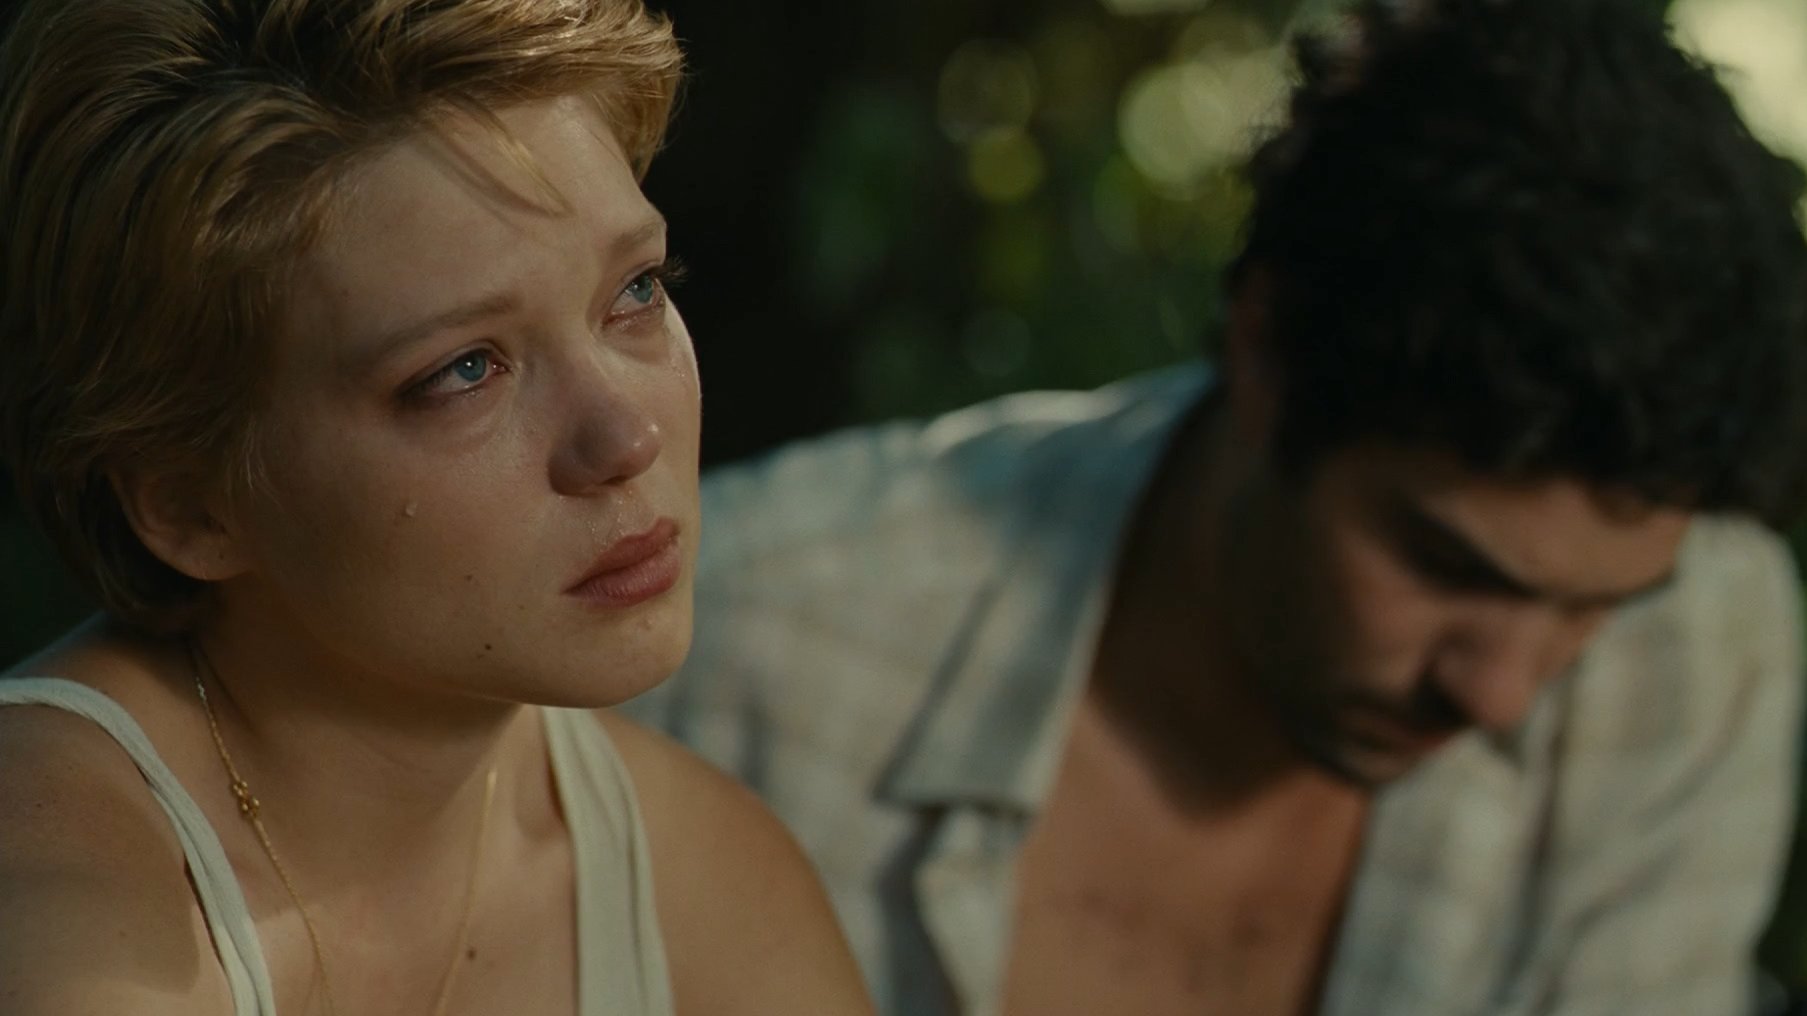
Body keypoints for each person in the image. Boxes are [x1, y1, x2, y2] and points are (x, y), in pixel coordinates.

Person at [625, 0, 1807, 1013]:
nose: (1500, 690)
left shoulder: (1699, 641)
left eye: (1591, 607)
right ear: (1265, 352)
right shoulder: (736, 646)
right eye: (1446, 563)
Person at [0, 2, 874, 1015]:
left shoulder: (711, 887)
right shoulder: (60, 923)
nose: (627, 438)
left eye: (634, 290)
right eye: (463, 370)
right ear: (188, 504)